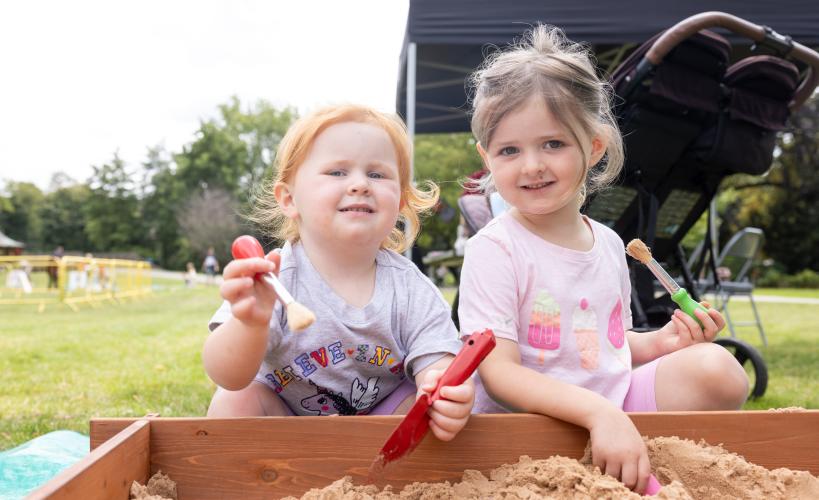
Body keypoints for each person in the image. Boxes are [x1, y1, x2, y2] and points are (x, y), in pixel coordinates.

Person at [457, 25, 749, 493]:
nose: (531, 164)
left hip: (611, 404)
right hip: (529, 422)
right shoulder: (495, 249)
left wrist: (666, 341)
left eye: (553, 144)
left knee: (718, 368)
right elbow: (499, 374)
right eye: (509, 150)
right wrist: (597, 413)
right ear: (487, 159)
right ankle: (624, 456)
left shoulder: (610, 243)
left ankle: (643, 456)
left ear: (594, 146)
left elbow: (603, 348)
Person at [203, 104, 474, 442]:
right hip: (284, 422)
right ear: (289, 199)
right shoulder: (273, 279)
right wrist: (250, 324)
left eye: (377, 174)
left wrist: (442, 389)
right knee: (234, 401)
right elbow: (226, 375)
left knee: (424, 407)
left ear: (401, 200)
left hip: (381, 425)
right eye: (337, 172)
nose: (360, 184)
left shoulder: (411, 288)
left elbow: (438, 360)